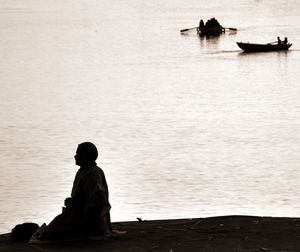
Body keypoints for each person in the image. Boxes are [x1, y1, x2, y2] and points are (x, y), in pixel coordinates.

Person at [33, 142, 112, 241]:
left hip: (89, 224)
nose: (75, 156)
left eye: (78, 154)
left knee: (51, 233)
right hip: (80, 219)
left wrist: (86, 221)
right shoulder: (83, 171)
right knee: (51, 228)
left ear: (85, 156)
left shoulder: (92, 174)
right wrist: (73, 201)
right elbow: (86, 197)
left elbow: (99, 200)